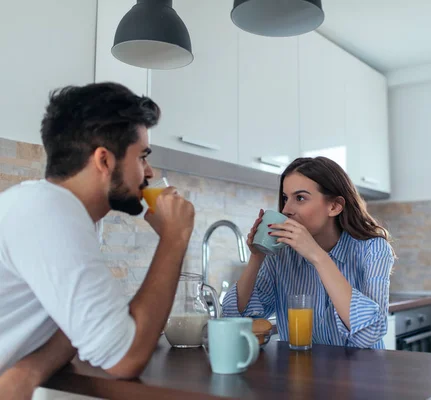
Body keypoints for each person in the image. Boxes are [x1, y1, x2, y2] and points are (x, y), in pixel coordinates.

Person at [0, 82, 195, 398]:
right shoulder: (50, 214)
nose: (148, 171)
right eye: (141, 156)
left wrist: (30, 369)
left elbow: (78, 331)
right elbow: (124, 357)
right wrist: (175, 237)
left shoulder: (57, 211)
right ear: (104, 160)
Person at [222, 157, 395, 349]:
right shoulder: (281, 254)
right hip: (299, 372)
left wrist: (318, 256)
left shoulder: (374, 249)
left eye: (300, 198)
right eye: (286, 198)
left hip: (360, 376)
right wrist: (257, 257)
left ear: (334, 206)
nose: (286, 209)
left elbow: (369, 334)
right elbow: (233, 320)